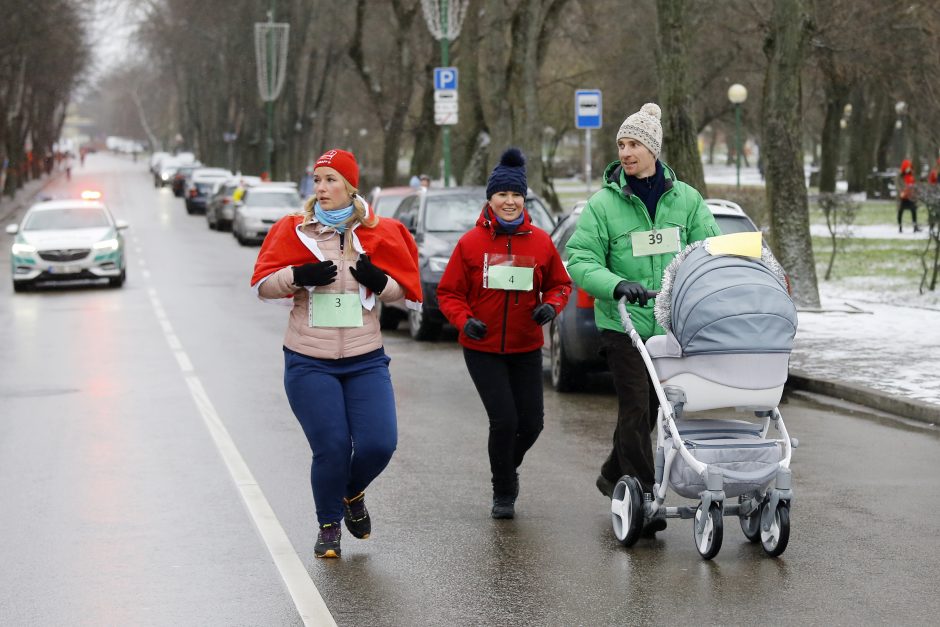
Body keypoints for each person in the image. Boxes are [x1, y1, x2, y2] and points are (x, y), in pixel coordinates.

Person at [250, 148, 422, 558]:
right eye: (318, 180)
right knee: (330, 446)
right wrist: (297, 276)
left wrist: (380, 282)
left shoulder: (382, 231)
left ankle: (350, 494)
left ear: (350, 186)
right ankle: (328, 526)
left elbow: (406, 293)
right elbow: (262, 284)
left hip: (365, 358)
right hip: (309, 360)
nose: (322, 188)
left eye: (331, 180)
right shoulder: (294, 230)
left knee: (380, 443)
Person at [565, 103, 721, 536]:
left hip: (671, 324)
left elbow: (708, 249)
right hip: (624, 325)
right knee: (636, 407)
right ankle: (644, 494)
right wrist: (616, 284)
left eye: (634, 144)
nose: (626, 151)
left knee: (654, 410)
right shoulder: (603, 205)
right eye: (621, 144)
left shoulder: (686, 199)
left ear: (653, 148)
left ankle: (612, 473)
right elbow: (580, 258)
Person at [437, 148, 571, 519]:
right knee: (505, 420)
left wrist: (551, 306)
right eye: (503, 195)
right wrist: (465, 321)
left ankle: (505, 466)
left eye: (516, 195)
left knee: (532, 423)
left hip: (526, 346)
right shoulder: (470, 244)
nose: (510, 202)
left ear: (523, 198)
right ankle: (503, 489)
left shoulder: (541, 242)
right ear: (490, 199)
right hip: (482, 348)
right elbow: (449, 293)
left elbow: (560, 285)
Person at [897, 158, 920, 232]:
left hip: (911, 197)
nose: (908, 169)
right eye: (907, 167)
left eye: (909, 167)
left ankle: (915, 226)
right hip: (903, 197)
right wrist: (902, 192)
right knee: (900, 211)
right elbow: (899, 185)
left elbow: (914, 185)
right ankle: (900, 226)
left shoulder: (911, 175)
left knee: (913, 211)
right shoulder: (900, 177)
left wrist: (914, 192)